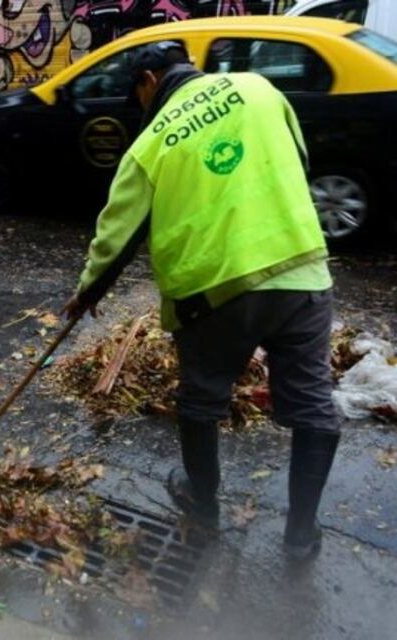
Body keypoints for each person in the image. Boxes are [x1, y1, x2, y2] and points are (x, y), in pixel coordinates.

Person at [63, 41, 339, 561]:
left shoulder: (150, 143)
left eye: (136, 94)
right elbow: (297, 160)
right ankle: (302, 535)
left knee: (201, 402)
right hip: (300, 268)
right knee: (312, 406)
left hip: (214, 291)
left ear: (148, 81)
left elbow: (116, 237)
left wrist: (87, 293)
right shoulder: (259, 90)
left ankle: (203, 505)